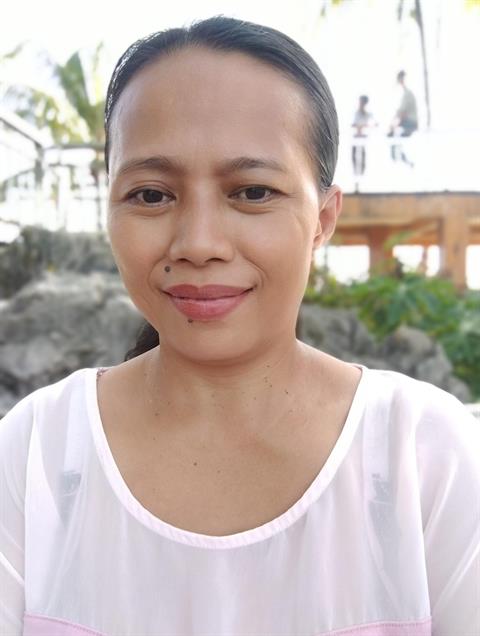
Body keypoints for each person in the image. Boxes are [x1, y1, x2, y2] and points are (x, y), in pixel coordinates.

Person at [1, 16, 479, 636]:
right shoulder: (36, 454)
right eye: (151, 195)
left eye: (252, 192)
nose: (199, 243)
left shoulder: (424, 457)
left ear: (323, 218)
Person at [388, 70, 418, 166]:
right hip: (406, 123)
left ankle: (396, 158)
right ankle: (400, 158)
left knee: (392, 136)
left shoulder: (407, 93)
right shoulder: (403, 94)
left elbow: (402, 113)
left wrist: (394, 125)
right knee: (395, 138)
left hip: (410, 123)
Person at [351, 94, 375, 178]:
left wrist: (363, 126)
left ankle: (361, 174)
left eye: (361, 102)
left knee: (363, 155)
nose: (360, 103)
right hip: (355, 137)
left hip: (364, 137)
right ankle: (356, 173)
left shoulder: (369, 114)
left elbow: (374, 124)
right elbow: (352, 125)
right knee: (354, 155)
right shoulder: (356, 113)